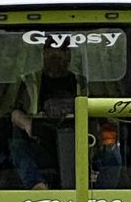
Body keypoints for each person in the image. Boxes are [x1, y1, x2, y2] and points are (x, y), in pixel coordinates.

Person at [10, 43, 79, 189]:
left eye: (60, 55)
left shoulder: (82, 83)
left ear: (69, 57)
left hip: (80, 142)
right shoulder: (30, 81)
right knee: (16, 146)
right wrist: (28, 125)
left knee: (113, 157)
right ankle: (37, 186)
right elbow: (15, 113)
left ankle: (104, 194)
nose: (56, 60)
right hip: (39, 143)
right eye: (52, 55)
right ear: (44, 54)